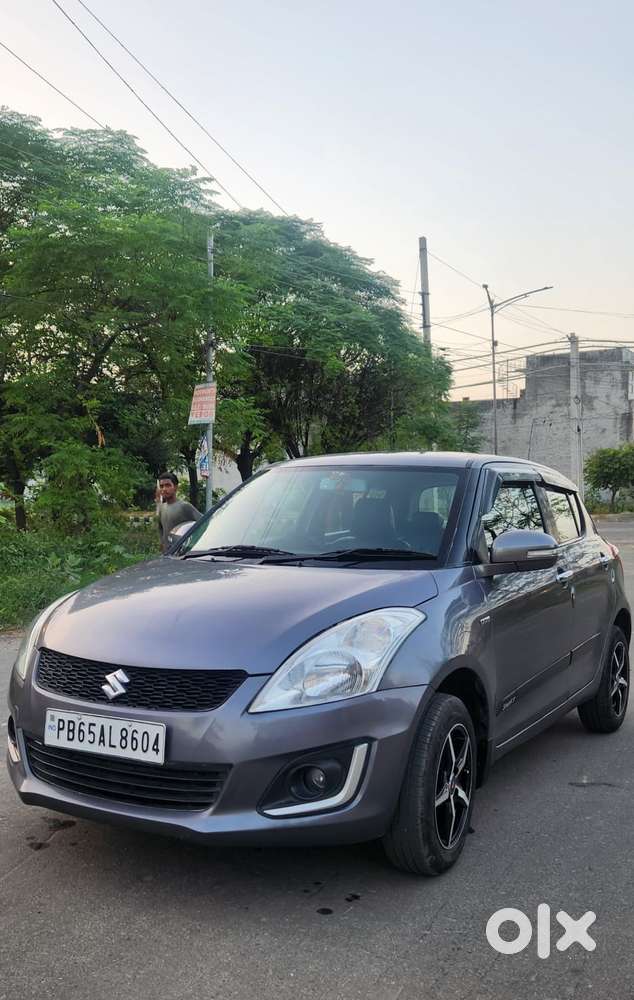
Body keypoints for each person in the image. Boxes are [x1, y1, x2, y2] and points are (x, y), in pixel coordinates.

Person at [156, 472, 202, 552]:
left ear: (176, 487)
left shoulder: (184, 506)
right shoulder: (161, 508)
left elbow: (204, 522)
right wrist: (162, 542)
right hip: (167, 553)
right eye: (161, 486)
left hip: (181, 554)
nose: (164, 489)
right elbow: (160, 527)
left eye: (168, 485)